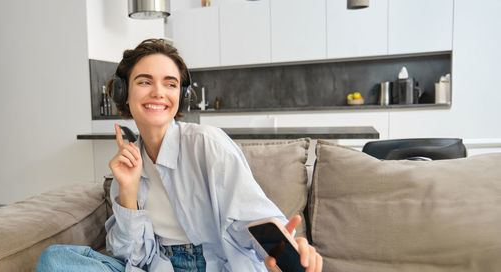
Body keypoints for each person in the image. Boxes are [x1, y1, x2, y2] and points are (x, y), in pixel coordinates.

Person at [36, 39, 322, 272]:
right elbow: (131, 256)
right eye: (145, 82)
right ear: (124, 92)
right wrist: (127, 191)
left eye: (170, 83)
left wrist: (289, 248)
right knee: (56, 259)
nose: (159, 92)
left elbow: (253, 221)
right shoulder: (127, 165)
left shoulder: (207, 144)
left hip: (215, 267)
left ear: (180, 95)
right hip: (158, 268)